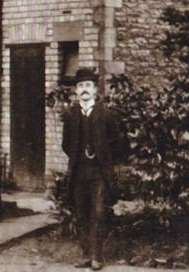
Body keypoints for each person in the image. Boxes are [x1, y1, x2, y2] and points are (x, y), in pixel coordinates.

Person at [61, 68, 127, 271]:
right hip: (79, 172)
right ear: (76, 90)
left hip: (99, 172)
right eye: (80, 86)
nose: (84, 90)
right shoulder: (71, 116)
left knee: (98, 212)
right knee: (81, 213)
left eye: (88, 85)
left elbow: (120, 143)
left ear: (95, 89)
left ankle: (97, 256)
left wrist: (104, 156)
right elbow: (66, 144)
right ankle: (85, 255)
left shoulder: (106, 115)